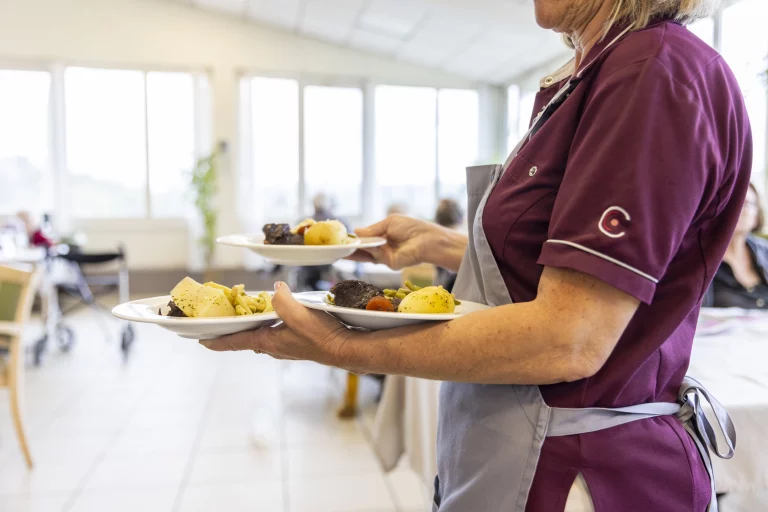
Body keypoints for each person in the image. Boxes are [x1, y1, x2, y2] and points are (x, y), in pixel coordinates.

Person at [202, 1, 749, 510]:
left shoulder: (650, 69)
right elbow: (576, 272)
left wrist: (339, 344)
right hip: (524, 449)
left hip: (581, 472)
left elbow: (571, 336)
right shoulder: (598, 70)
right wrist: (441, 245)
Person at [704, 184, 768, 309]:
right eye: (731, 201)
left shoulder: (765, 252)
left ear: (756, 216)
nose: (737, 208)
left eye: (746, 203)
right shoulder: (700, 257)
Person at [434, 199, 465, 291]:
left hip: (442, 290)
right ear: (462, 219)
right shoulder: (464, 240)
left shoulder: (435, 241)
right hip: (459, 293)